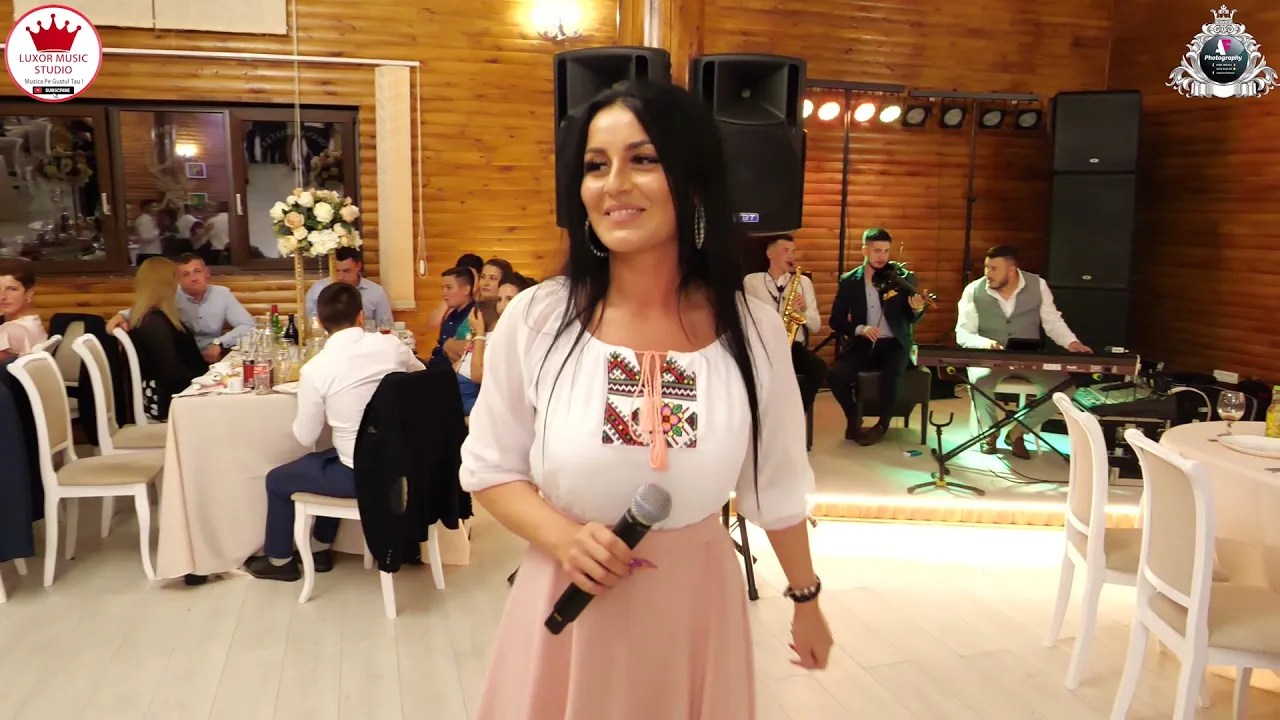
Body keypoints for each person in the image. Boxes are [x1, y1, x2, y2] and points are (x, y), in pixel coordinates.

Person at [460, 80, 831, 719]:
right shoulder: (539, 318)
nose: (614, 184)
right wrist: (563, 538)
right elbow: (491, 467)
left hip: (696, 606)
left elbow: (775, 484)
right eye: (595, 165)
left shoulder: (753, 328)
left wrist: (806, 599)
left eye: (643, 159)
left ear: (694, 179)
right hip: (568, 598)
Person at [244, 282, 425, 581]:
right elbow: (420, 378)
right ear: (361, 316)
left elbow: (306, 437)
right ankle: (320, 548)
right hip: (403, 464)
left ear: (320, 322)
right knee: (330, 459)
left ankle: (279, 561)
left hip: (361, 476)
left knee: (278, 479)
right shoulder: (392, 346)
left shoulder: (316, 369)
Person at [956, 245, 1092, 459]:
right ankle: (990, 433)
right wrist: (984, 343)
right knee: (979, 383)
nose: (987, 273)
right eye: (986, 267)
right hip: (990, 359)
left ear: (1011, 270)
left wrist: (1072, 343)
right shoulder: (973, 290)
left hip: (1029, 359)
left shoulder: (1038, 285)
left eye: (994, 268)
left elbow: (1053, 322)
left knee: (1063, 389)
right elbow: (963, 332)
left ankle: (1018, 431)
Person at [827, 228, 927, 445]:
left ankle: (883, 424)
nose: (883, 257)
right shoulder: (849, 280)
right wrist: (860, 329)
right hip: (864, 342)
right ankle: (853, 415)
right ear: (865, 250)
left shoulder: (902, 277)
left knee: (892, 372)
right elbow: (835, 319)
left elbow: (911, 318)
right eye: (877, 251)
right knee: (835, 375)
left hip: (895, 343)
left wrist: (917, 309)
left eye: (887, 251)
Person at [107, 253, 254, 362]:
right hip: (182, 361)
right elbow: (143, 310)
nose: (193, 278)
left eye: (197, 271)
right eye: (185, 274)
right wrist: (120, 316)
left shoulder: (222, 293)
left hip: (214, 358)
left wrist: (219, 343)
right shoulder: (170, 295)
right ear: (177, 279)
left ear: (207, 273)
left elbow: (248, 325)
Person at [742, 234, 826, 416]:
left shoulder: (803, 282)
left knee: (818, 367)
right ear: (770, 253)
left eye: (794, 251)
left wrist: (803, 310)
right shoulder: (752, 281)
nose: (791, 256)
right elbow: (746, 318)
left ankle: (795, 415)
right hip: (763, 345)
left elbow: (816, 326)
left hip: (792, 346)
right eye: (786, 251)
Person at [126, 257, 210, 422]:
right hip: (166, 401)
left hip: (177, 391)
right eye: (176, 278)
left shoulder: (154, 316)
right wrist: (207, 380)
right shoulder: (153, 322)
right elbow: (170, 372)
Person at [304, 247, 393, 327]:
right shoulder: (318, 289)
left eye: (346, 271)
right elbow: (307, 323)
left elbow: (386, 325)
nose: (340, 277)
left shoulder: (376, 292)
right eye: (336, 271)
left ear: (358, 266)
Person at [455, 299, 499, 417]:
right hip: (461, 381)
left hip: (468, 384)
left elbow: (477, 376)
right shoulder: (481, 337)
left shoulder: (487, 338)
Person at [427, 267, 476, 370]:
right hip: (434, 366)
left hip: (449, 372)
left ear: (466, 290)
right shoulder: (452, 314)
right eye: (443, 288)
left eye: (448, 288)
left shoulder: (474, 316)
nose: (444, 293)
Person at [0, 258, 47, 359]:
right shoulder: (32, 322)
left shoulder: (13, 330)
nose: (2, 296)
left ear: (29, 293)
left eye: (12, 289)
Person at [134, 199, 162, 265]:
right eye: (153, 207)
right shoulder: (144, 220)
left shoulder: (150, 219)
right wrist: (158, 231)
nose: (156, 209)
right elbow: (145, 237)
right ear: (146, 207)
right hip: (148, 253)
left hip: (152, 252)